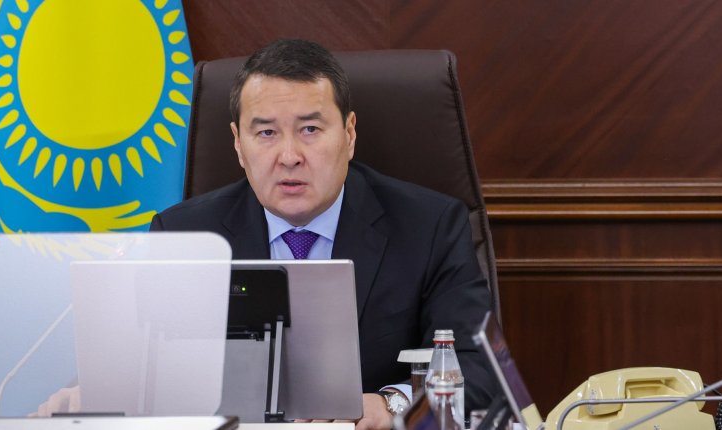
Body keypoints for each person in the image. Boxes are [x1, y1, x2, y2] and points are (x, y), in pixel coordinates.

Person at [151, 39, 497, 430]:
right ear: (238, 143)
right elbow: (151, 376)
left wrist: (392, 405)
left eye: (310, 129)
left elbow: (479, 372)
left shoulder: (429, 227)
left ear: (349, 134)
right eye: (266, 133)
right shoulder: (183, 237)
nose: (289, 156)